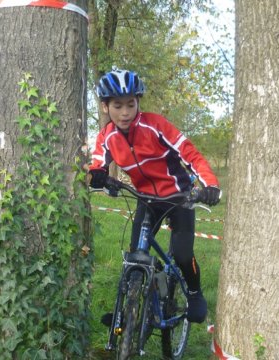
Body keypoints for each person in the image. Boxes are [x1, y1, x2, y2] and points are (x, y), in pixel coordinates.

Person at [88, 69, 221, 323]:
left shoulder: (155, 125)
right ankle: (127, 313)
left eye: (131, 104)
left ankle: (194, 293)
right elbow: (97, 163)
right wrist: (99, 176)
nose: (125, 112)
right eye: (118, 106)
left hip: (178, 197)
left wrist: (210, 185)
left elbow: (189, 153)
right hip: (146, 198)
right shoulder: (107, 136)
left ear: (138, 102)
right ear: (106, 107)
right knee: (136, 254)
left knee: (182, 255)